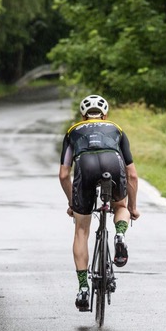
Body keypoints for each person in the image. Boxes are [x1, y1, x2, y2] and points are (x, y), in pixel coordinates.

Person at [58, 94, 140, 311]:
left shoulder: (73, 131)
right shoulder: (116, 129)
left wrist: (72, 203)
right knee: (119, 207)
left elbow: (64, 174)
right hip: (112, 163)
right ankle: (120, 235)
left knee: (81, 231)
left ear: (83, 115)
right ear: (105, 114)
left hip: (85, 166)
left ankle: (83, 288)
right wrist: (132, 207)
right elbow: (132, 174)